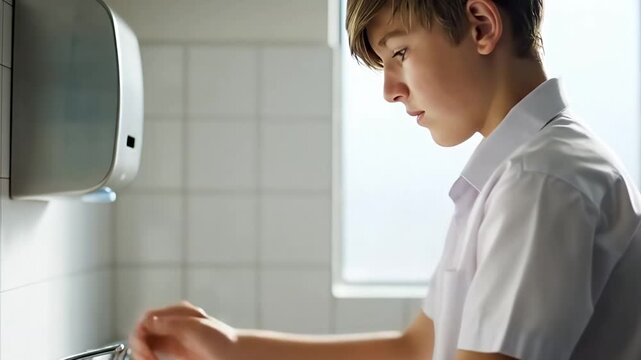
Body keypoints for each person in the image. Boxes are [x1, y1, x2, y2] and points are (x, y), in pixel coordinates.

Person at [129, 0, 641, 359]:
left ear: (482, 25)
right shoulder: (516, 173)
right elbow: (416, 349)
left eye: (399, 53)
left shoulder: (541, 182)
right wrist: (236, 349)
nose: (390, 91)